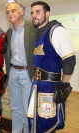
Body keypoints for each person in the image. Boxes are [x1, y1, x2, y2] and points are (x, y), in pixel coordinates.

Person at [27, 1, 76, 133]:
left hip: (49, 88)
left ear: (47, 13)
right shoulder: (40, 33)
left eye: (38, 12)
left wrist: (63, 86)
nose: (33, 15)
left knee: (47, 123)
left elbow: (70, 60)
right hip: (37, 85)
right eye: (32, 12)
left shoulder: (56, 31)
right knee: (37, 122)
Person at [5, 1, 37, 133]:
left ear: (22, 11)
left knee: (27, 110)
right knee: (15, 109)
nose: (10, 14)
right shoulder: (9, 32)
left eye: (13, 11)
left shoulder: (33, 27)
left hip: (27, 73)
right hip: (13, 73)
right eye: (8, 12)